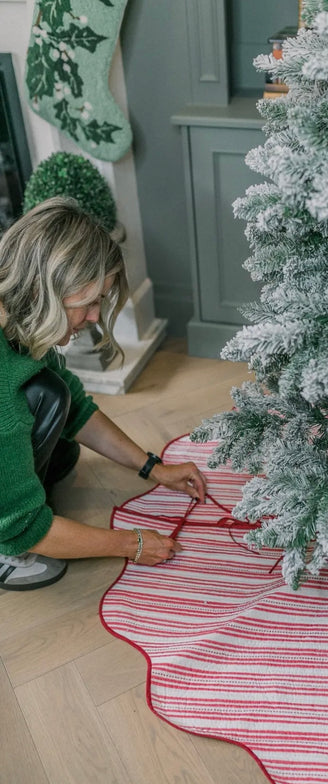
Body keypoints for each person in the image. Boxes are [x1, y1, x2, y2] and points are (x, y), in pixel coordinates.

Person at [0, 197, 206, 590]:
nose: (95, 317)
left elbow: (74, 405)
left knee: (55, 402)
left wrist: (153, 468)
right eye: (88, 303)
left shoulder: (18, 313)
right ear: (47, 289)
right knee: (19, 525)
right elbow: (25, 526)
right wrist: (133, 543)